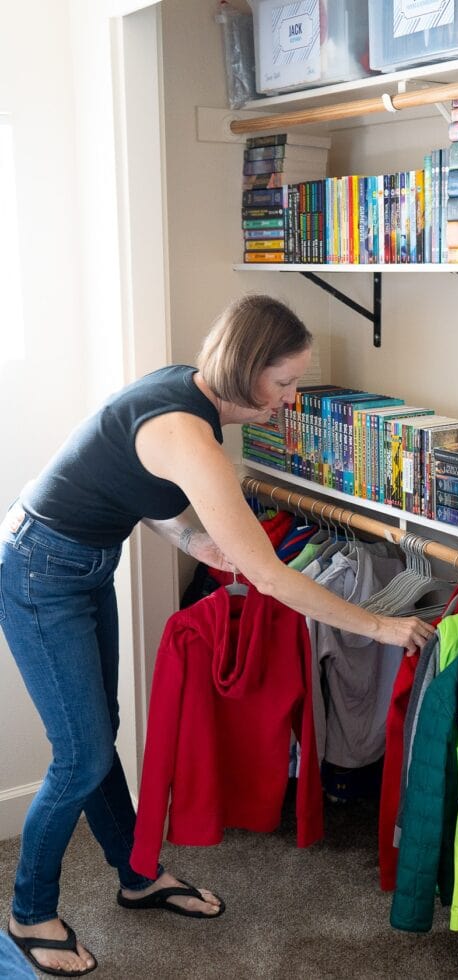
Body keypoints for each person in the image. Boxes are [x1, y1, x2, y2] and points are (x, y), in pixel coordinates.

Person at [0, 294, 434, 977]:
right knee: (80, 755)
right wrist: (382, 625)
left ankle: (137, 874)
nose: (290, 399)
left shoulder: (184, 394)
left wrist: (197, 541)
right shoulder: (189, 434)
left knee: (96, 735)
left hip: (77, 560)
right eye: (284, 382)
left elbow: (135, 490)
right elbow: (274, 580)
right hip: (39, 569)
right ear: (247, 367)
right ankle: (29, 912)